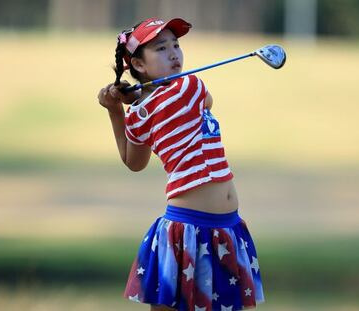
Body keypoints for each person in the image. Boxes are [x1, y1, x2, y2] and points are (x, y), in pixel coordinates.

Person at [97, 17, 264, 311]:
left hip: (228, 228)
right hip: (187, 229)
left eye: (175, 45)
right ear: (138, 64)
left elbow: (192, 102)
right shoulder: (140, 113)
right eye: (161, 49)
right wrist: (116, 112)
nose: (174, 53)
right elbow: (133, 161)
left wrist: (132, 99)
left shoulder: (189, 86)